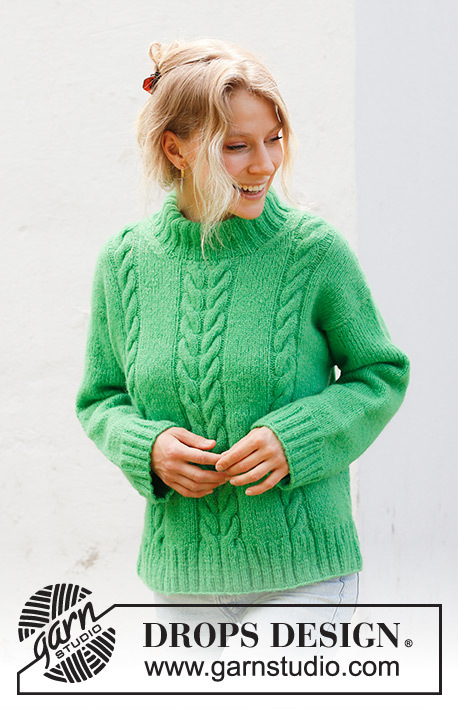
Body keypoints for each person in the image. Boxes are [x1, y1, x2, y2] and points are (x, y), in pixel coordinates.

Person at [75, 38, 409, 645]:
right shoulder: (125, 261)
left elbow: (380, 374)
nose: (264, 164)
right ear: (176, 149)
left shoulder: (313, 252)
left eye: (273, 139)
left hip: (304, 572)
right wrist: (147, 448)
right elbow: (101, 399)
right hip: (181, 581)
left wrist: (297, 438)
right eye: (236, 147)